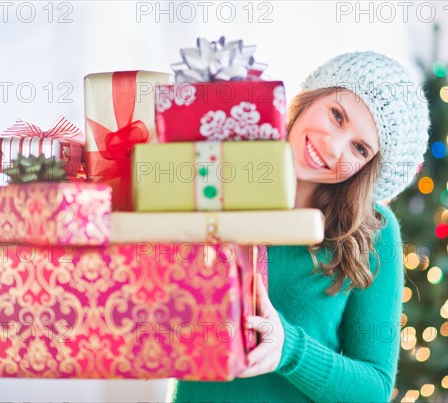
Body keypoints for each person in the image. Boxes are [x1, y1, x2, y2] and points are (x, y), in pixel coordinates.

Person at [168, 51, 431, 402]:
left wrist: (288, 350)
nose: (333, 146)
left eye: (359, 147)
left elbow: (374, 389)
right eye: (337, 115)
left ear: (368, 168)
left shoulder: (374, 233)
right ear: (312, 98)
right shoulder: (216, 174)